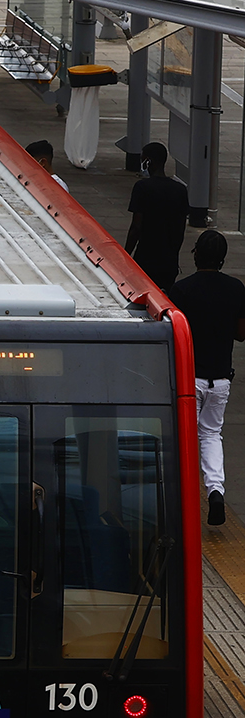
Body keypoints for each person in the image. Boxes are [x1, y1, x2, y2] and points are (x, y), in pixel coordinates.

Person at [169, 230, 245, 525]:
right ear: (223, 259)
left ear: (196, 254)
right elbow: (241, 334)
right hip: (220, 380)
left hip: (189, 378)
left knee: (182, 434)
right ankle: (215, 489)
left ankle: (182, 495)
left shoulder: (182, 290)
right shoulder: (236, 289)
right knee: (211, 434)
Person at [125, 142, 190, 293]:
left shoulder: (142, 188)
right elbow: (181, 229)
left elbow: (136, 227)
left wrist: (126, 254)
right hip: (169, 260)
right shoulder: (180, 190)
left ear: (149, 161)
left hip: (146, 257)